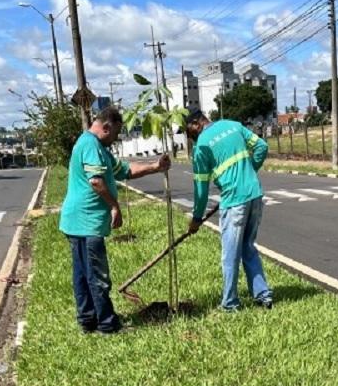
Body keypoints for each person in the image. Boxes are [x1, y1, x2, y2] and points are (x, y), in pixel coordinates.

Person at [59, 106, 169, 334]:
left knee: (82, 274)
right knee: (96, 275)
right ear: (106, 127)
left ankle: (87, 320)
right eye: (116, 133)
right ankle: (108, 324)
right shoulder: (90, 145)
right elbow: (96, 181)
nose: (116, 138)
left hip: (77, 221)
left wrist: (155, 167)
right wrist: (114, 206)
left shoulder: (97, 147)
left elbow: (125, 170)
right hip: (87, 221)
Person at [185, 109, 273, 311]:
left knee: (230, 254)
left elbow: (201, 189)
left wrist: (197, 218)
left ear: (197, 124)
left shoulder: (202, 147)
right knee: (247, 247)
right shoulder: (233, 125)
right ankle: (263, 295)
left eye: (190, 134)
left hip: (234, 202)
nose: (192, 139)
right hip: (254, 194)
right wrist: (249, 172)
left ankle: (230, 303)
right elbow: (261, 146)